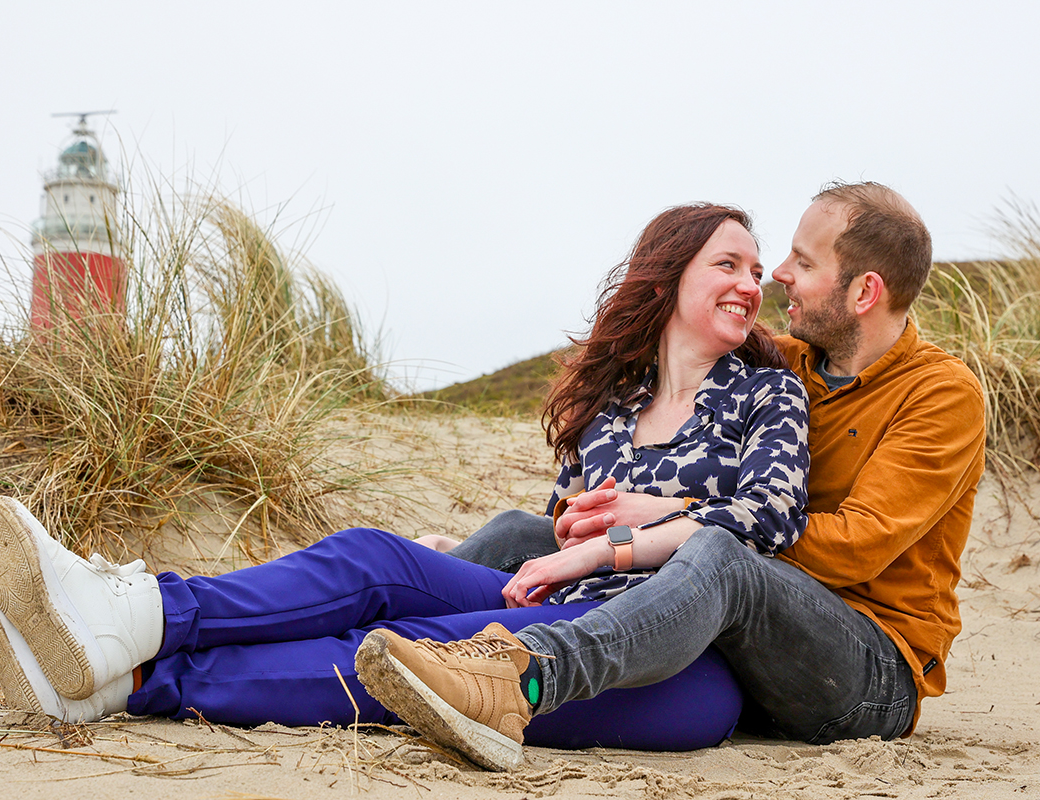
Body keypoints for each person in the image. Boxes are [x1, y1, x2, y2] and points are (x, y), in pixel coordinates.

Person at [0, 203, 809, 754]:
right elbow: (559, 533)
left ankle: (133, 683)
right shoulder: (610, 408)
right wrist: (490, 547)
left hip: (679, 667)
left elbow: (771, 520)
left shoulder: (770, 394)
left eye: (755, 268)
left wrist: (649, 517)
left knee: (399, 654)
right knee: (377, 560)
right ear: (668, 279)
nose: (751, 282)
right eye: (727, 264)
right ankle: (137, 619)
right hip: (559, 611)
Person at [355, 181, 987, 771]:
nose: (780, 277)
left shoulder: (941, 395)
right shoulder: (788, 359)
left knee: (721, 554)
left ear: (864, 292)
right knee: (530, 530)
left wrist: (659, 518)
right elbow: (683, 332)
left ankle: (525, 678)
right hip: (735, 634)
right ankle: (393, 621)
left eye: (804, 261)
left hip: (863, 669)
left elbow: (855, 546)